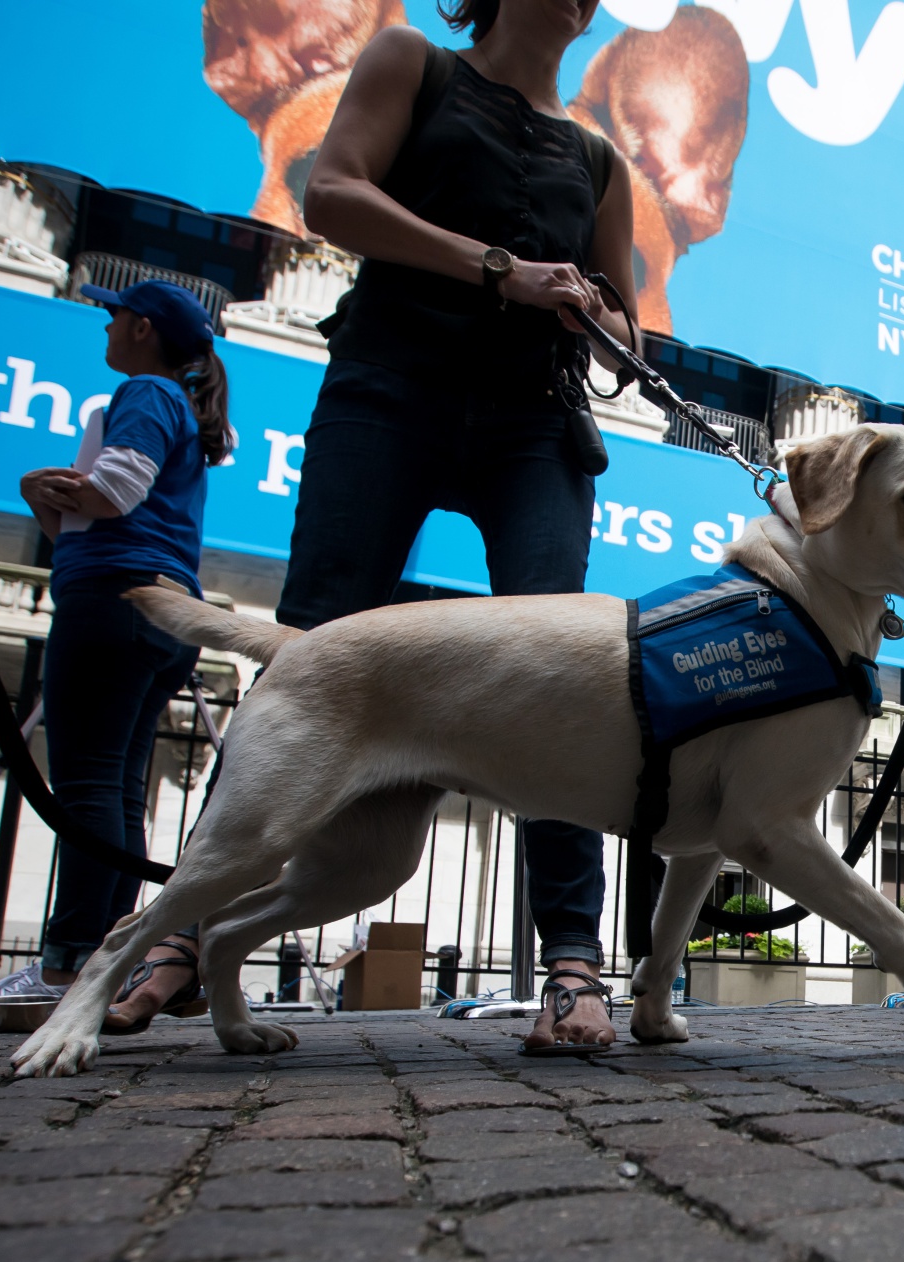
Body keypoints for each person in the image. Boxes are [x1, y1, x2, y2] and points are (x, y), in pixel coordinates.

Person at [292, 0, 638, 1052]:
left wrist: (594, 309)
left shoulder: (599, 156)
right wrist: (499, 268)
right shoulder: (413, 61)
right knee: (312, 641)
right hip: (389, 387)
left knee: (564, 673)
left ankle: (573, 958)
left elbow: (631, 334)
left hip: (535, 426)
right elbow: (330, 192)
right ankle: (186, 932)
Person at [0, 280, 230, 1033]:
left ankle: (67, 960)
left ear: (141, 328)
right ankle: (104, 956)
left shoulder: (146, 393)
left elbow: (115, 493)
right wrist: (53, 500)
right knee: (120, 791)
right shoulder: (180, 407)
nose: (107, 322)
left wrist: (43, 483)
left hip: (114, 602)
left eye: (114, 313)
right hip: (160, 613)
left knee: (89, 784)